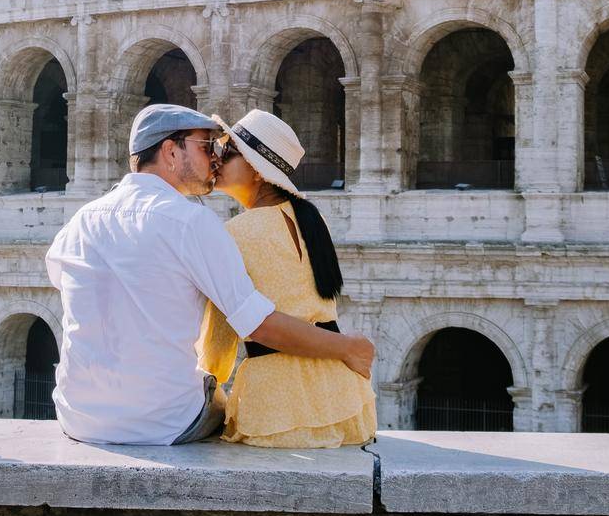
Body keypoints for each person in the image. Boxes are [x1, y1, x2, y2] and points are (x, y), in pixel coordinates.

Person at [45, 103, 375, 445]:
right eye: (205, 147)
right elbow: (257, 324)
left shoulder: (78, 222)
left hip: (77, 417)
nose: (213, 158)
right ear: (171, 152)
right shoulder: (192, 222)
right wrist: (347, 347)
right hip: (164, 422)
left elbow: (62, 278)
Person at [199, 109, 377, 447]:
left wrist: (212, 376)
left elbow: (219, 340)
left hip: (278, 400)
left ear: (257, 170)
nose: (218, 158)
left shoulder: (235, 232)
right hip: (341, 394)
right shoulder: (313, 218)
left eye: (229, 151)